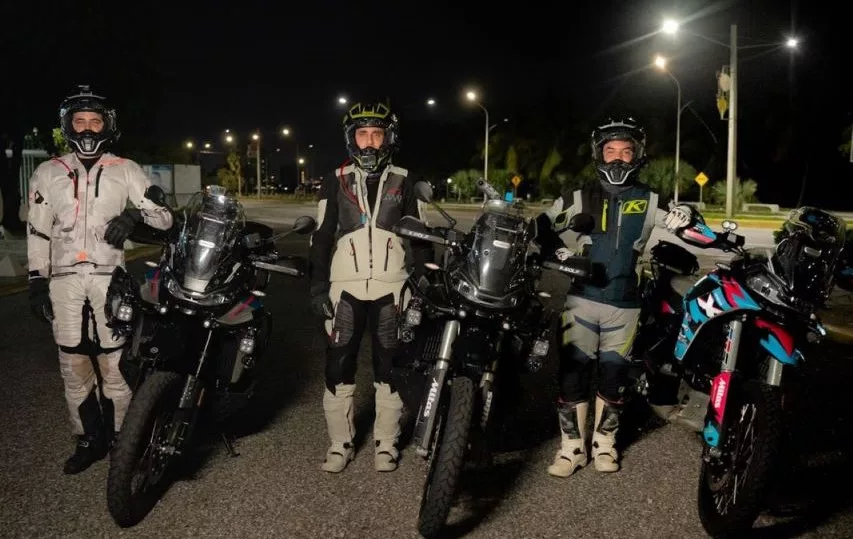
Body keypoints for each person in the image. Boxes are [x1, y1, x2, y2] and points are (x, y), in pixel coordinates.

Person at [535, 117, 695, 477]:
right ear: (598, 155)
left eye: (627, 151)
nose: (618, 159)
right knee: (572, 374)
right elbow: (542, 226)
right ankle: (570, 449)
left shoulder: (652, 199)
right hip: (581, 301)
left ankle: (604, 445)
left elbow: (689, 226)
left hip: (626, 305)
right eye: (611, 151)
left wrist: (689, 215)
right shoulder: (578, 197)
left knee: (614, 376)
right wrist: (558, 253)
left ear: (638, 155)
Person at [27, 86, 173, 474]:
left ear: (108, 126)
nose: (88, 129)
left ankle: (125, 440)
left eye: (96, 121)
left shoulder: (125, 169)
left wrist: (135, 218)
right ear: (68, 126)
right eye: (80, 121)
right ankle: (89, 439)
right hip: (63, 280)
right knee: (73, 366)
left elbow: (165, 217)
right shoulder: (47, 172)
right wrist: (36, 280)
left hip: (111, 278)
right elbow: (38, 233)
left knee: (115, 366)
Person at [309, 101, 432, 473]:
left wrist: (425, 278)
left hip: (392, 287)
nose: (369, 142)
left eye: (377, 134)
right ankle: (339, 444)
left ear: (388, 139)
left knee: (390, 367)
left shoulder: (406, 179)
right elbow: (322, 236)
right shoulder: (334, 178)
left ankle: (386, 443)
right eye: (362, 134)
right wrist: (316, 287)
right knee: (338, 364)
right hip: (344, 288)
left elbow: (421, 237)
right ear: (351, 138)